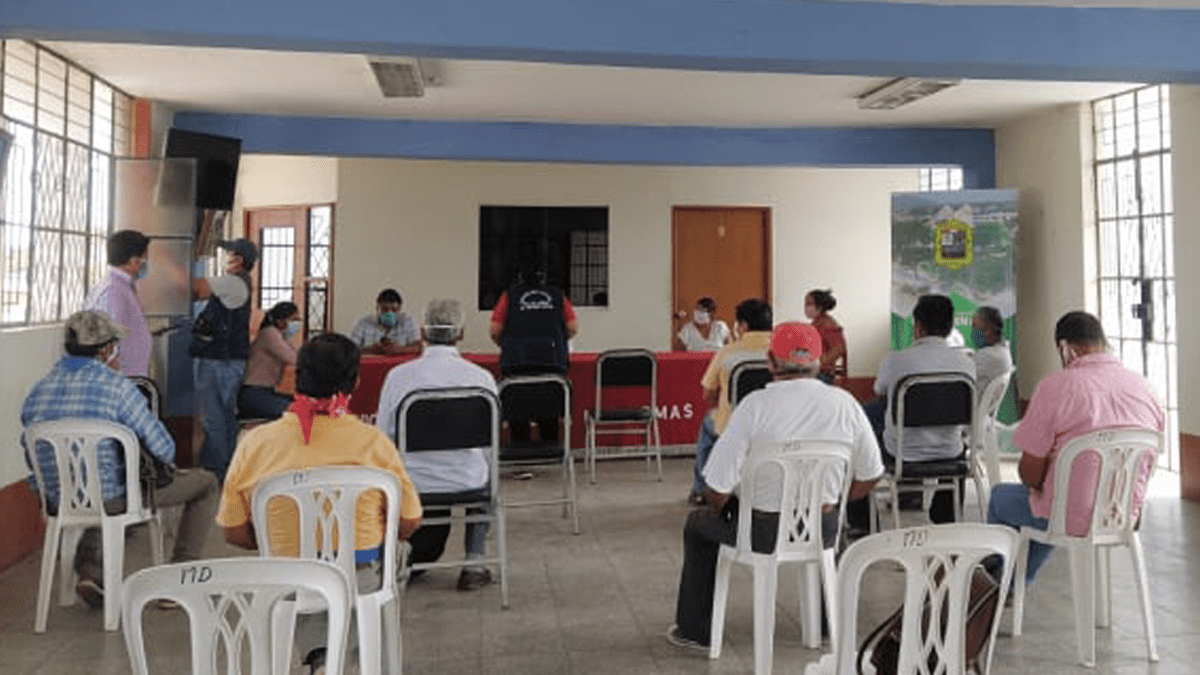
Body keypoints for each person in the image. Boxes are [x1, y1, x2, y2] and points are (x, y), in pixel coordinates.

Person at [667, 322, 884, 651]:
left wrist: (722, 509)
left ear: (770, 362)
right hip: (821, 527)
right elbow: (871, 474)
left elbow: (716, 486)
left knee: (697, 525)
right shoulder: (846, 403)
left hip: (762, 531)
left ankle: (695, 631)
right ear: (818, 361)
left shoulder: (753, 406)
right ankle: (826, 623)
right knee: (832, 528)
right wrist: (836, 501)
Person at [217, 333, 423, 669]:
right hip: (359, 575)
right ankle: (352, 655)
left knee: (309, 572)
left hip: (286, 577)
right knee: (394, 556)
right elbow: (409, 522)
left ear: (296, 379)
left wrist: (280, 542)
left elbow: (233, 532)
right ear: (355, 382)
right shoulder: (374, 444)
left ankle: (321, 654)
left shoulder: (255, 443)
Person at [22, 311, 218, 608]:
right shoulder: (117, 387)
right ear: (105, 350)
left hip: (59, 499)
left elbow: (30, 450)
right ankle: (179, 581)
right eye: (115, 345)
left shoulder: (38, 390)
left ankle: (90, 571)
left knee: (98, 489)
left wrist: (48, 492)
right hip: (113, 499)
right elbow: (163, 449)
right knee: (206, 484)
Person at [987, 311, 1163, 585]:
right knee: (1052, 501)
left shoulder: (1055, 386)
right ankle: (1009, 583)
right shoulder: (1145, 388)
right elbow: (1149, 463)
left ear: (1065, 347)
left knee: (1006, 498)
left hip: (1070, 518)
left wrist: (1048, 480)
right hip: (1124, 515)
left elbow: (1029, 474)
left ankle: (1000, 584)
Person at [378, 299, 499, 591]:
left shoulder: (398, 377)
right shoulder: (481, 378)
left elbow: (382, 437)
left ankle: (393, 558)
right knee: (485, 474)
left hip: (411, 484)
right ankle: (474, 564)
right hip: (468, 480)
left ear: (422, 332)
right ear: (461, 333)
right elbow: (490, 445)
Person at [857, 294, 975, 526]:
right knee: (955, 443)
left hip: (901, 453)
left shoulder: (896, 360)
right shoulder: (967, 363)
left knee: (863, 432)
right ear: (949, 327)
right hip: (949, 452)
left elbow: (879, 390)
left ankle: (862, 524)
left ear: (918, 326)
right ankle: (946, 515)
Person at [689, 298, 773, 505]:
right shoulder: (780, 353)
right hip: (773, 424)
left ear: (743, 325)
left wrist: (717, 407)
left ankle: (701, 489)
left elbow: (708, 393)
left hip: (732, 424)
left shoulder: (727, 352)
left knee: (708, 426)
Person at [191, 238, 257, 482]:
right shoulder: (240, 283)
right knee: (225, 417)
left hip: (220, 361)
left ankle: (216, 473)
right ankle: (228, 468)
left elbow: (192, 289)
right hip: (228, 361)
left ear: (239, 259)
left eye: (228, 254)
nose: (225, 259)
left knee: (215, 419)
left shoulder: (234, 283)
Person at [490, 265, 578, 444]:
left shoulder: (509, 296)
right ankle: (551, 451)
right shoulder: (558, 295)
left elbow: (495, 330)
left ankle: (520, 452)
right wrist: (556, 341)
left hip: (516, 364)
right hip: (552, 363)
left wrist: (508, 345)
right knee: (550, 417)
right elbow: (572, 327)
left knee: (517, 417)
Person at [83, 229, 153, 377]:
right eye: (144, 258)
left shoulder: (122, 286)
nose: (146, 263)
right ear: (133, 261)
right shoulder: (112, 291)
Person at [237, 301, 300, 420]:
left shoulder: (280, 335)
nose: (296, 324)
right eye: (293, 320)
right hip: (254, 394)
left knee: (302, 404)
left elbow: (296, 354)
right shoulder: (270, 333)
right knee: (297, 411)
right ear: (280, 321)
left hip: (267, 392)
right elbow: (293, 358)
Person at [350, 288, 420, 355]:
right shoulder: (364, 323)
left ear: (399, 309)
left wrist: (399, 349)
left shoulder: (407, 322)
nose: (389, 312)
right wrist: (371, 349)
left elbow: (419, 347)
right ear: (377, 308)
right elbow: (350, 349)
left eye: (394, 309)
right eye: (385, 309)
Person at [804, 288, 847, 384]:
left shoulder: (828, 325)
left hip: (823, 375)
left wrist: (819, 362)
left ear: (819, 306)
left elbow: (839, 349)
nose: (806, 307)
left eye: (809, 304)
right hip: (813, 371)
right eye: (805, 303)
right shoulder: (816, 322)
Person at [970, 306, 1013, 400]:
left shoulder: (988, 356)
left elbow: (963, 372)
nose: (972, 331)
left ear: (988, 330)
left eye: (974, 326)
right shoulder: (1002, 350)